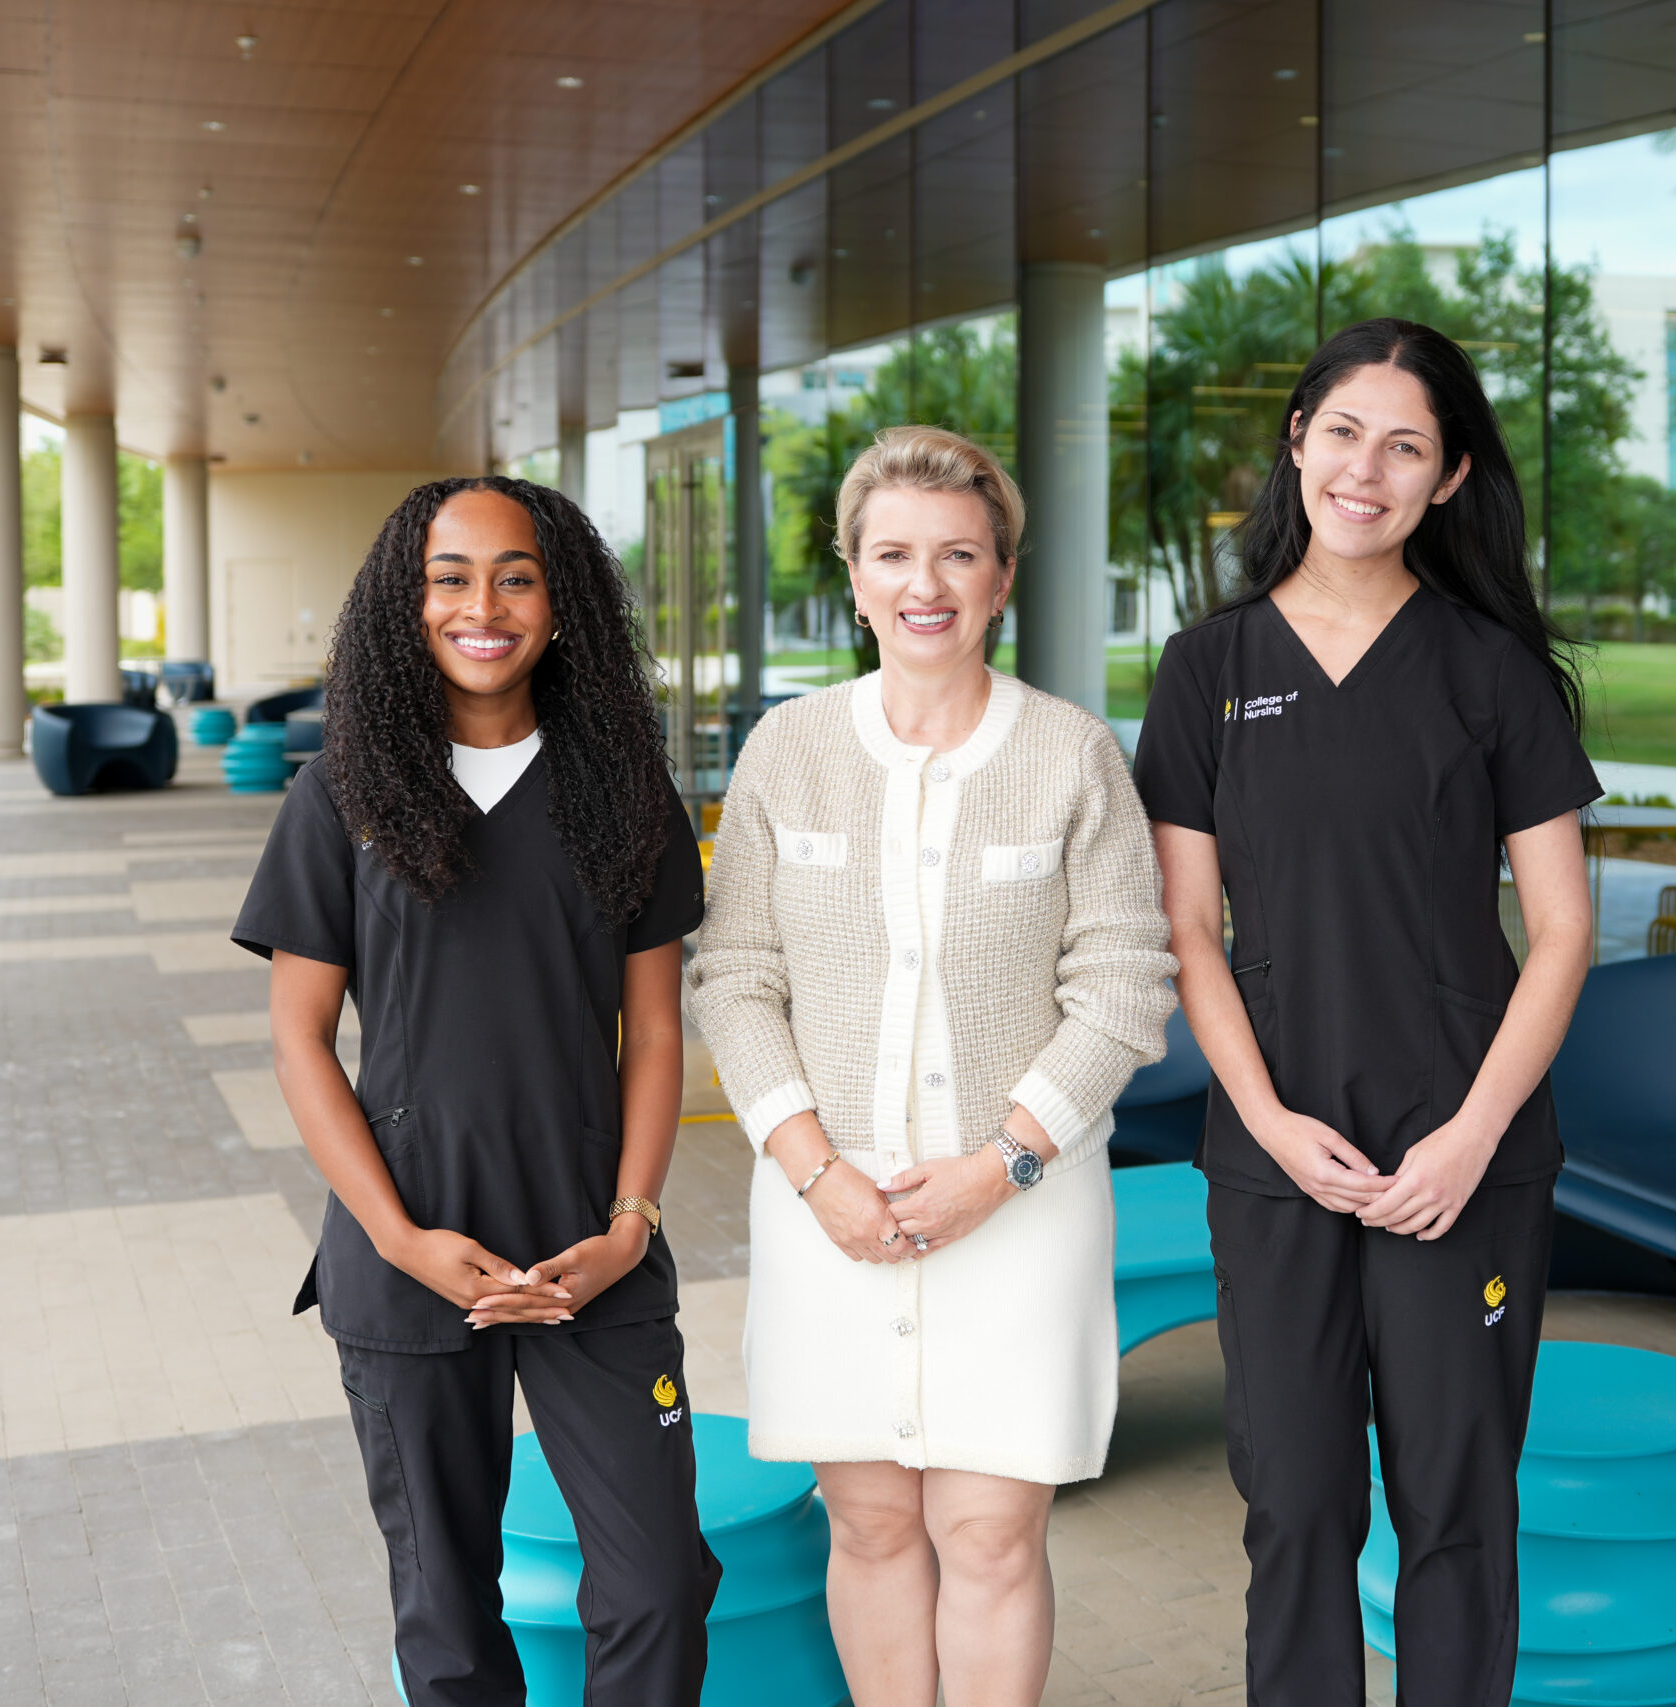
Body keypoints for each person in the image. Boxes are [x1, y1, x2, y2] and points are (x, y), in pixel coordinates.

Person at [1132, 318, 1602, 1706]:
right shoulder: (1208, 667)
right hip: (1278, 1161)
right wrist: (1269, 1121)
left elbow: (1563, 929)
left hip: (1465, 1157)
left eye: (1407, 445)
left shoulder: (1492, 670)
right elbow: (1188, 931)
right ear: (1297, 440)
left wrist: (1468, 1137)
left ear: (1450, 478)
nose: (1368, 467)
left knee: (1458, 1503)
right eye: (1344, 430)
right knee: (1296, 1502)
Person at [687, 425, 1175, 1707]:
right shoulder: (787, 750)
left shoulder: (1072, 752)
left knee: (989, 1533)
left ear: (1001, 578)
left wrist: (1002, 1164)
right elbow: (734, 975)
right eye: (894, 553)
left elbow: (1125, 982)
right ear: (852, 575)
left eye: (959, 555)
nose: (927, 584)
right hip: (825, 1209)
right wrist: (814, 1172)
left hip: (1020, 1207)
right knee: (871, 1527)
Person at [233, 476, 719, 1707]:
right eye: (449, 577)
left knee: (659, 1582)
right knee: (446, 1613)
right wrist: (397, 1238)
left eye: (516, 574)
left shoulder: (623, 793)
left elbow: (654, 1033)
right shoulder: (340, 793)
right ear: (407, 603)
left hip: (589, 1254)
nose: (482, 605)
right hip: (409, 1260)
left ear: (564, 605)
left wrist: (628, 1227)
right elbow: (299, 1040)